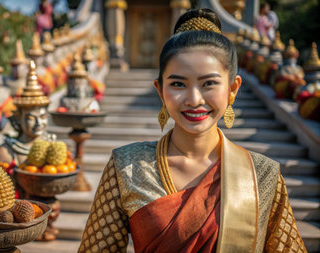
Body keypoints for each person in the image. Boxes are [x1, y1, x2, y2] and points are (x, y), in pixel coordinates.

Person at [78, 9, 306, 253]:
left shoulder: (262, 174)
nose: (194, 99)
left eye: (209, 83)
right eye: (178, 84)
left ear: (233, 88)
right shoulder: (127, 166)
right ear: (160, 90)